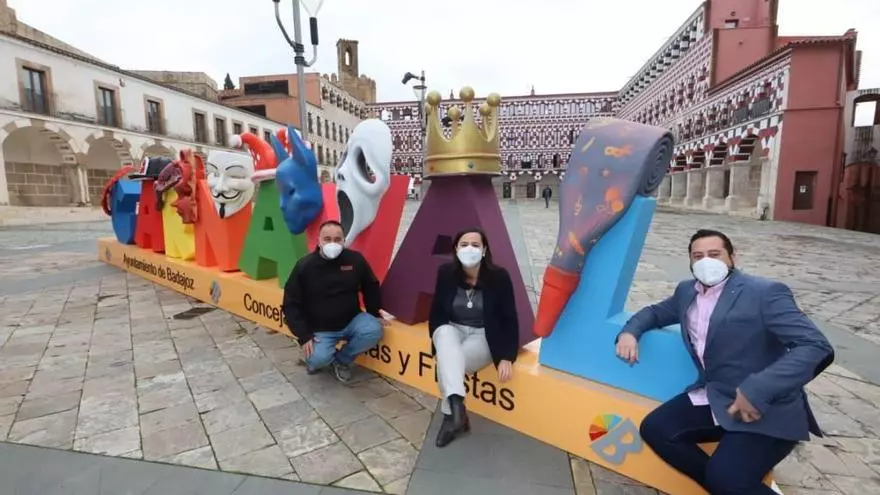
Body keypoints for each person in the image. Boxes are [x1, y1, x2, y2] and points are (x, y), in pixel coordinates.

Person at [615, 229, 834, 494]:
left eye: (714, 254)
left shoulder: (764, 293)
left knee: (727, 479)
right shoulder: (687, 291)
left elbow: (816, 346)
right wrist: (629, 332)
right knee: (656, 429)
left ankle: (729, 486)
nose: (706, 261)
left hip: (767, 407)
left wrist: (758, 388)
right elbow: (655, 313)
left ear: (732, 258)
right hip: (718, 397)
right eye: (698, 256)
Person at [428, 228, 520, 447]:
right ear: (456, 249)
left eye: (476, 245)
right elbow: (437, 312)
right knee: (443, 332)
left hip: (484, 335)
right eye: (464, 244)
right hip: (453, 330)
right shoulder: (446, 272)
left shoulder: (499, 277)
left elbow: (510, 317)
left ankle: (452, 416)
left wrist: (507, 356)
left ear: (485, 250)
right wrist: (436, 346)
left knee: (447, 365)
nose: (470, 248)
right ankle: (458, 410)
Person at [282, 220, 386, 383]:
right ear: (319, 240)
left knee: (374, 330)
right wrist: (304, 335)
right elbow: (291, 303)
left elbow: (370, 285)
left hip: (352, 320)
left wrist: (374, 312)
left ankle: (342, 361)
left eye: (338, 239)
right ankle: (319, 357)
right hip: (320, 329)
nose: (333, 243)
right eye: (327, 239)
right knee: (318, 360)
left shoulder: (355, 260)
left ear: (344, 240)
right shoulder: (305, 266)